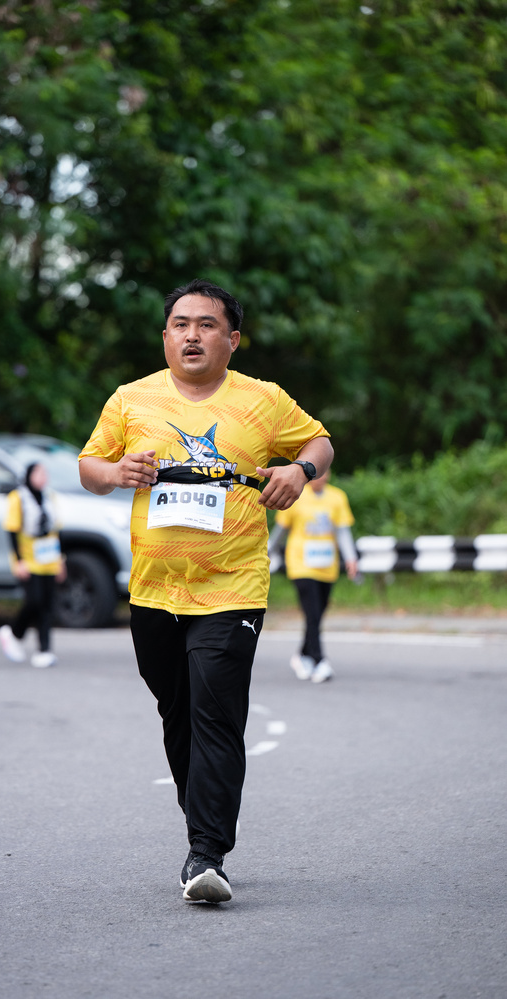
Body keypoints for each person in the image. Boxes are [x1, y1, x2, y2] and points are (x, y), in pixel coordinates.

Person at [78, 278, 333, 903]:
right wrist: (115, 471)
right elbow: (89, 467)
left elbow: (320, 442)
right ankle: (204, 821)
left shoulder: (263, 399)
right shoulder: (131, 399)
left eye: (207, 325)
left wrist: (299, 471)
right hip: (154, 590)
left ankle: (206, 854)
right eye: (181, 324)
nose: (192, 335)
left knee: (215, 713)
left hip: (233, 586)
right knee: (177, 713)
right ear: (165, 336)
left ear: (233, 339)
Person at [269, 469, 357, 682]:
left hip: (327, 566)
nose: (322, 477)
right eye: (318, 474)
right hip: (301, 564)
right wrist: (268, 552)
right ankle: (319, 661)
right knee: (313, 613)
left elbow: (342, 531)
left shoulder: (337, 497)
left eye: (326, 473)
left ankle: (303, 656)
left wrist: (351, 558)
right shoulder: (295, 495)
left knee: (318, 614)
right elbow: (281, 530)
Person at [0, 462, 66, 668]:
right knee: (34, 601)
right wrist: (19, 561)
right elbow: (11, 530)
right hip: (28, 560)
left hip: (49, 559)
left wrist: (61, 560)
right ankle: (14, 633)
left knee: (47, 605)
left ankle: (44, 650)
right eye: (38, 473)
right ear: (28, 476)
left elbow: (56, 531)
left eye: (45, 473)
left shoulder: (50, 497)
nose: (42, 477)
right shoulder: (18, 498)